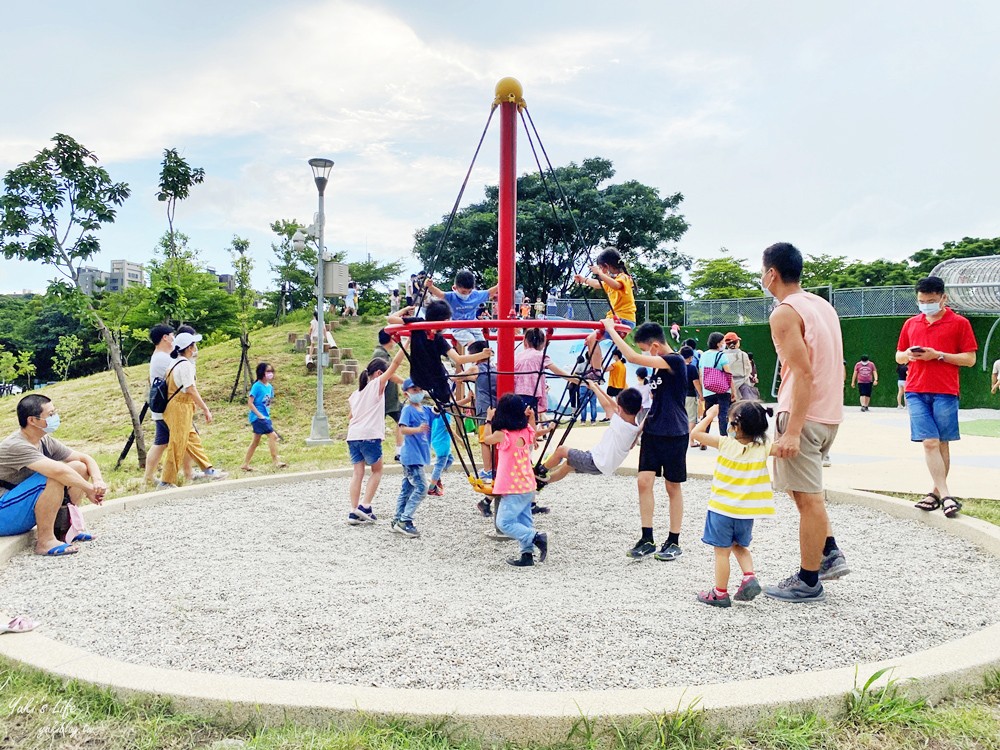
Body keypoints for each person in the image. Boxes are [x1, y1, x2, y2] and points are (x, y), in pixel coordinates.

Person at [761, 242, 848, 603]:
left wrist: (793, 430)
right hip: (829, 414)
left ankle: (809, 579)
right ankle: (828, 552)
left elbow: (803, 373)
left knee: (808, 499)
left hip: (803, 416)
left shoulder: (784, 313)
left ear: (772, 274)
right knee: (804, 493)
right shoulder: (822, 306)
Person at [601, 319, 688, 561]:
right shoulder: (659, 367)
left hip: (674, 433)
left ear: (656, 346)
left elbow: (632, 358)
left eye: (644, 348)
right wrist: (637, 431)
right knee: (644, 482)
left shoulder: (674, 361)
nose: (642, 353)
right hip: (653, 431)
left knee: (672, 486)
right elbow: (655, 403)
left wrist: (611, 331)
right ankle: (647, 537)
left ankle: (673, 540)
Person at [896, 276, 978, 519]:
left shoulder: (960, 323)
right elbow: (898, 356)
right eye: (921, 301)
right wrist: (909, 355)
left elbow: (970, 359)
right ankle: (946, 495)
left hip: (945, 390)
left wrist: (938, 355)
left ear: (944, 298)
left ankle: (935, 493)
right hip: (915, 390)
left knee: (942, 443)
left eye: (931, 301)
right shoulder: (911, 324)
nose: (926, 305)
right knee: (929, 442)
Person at [690, 401, 775, 607]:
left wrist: (709, 415)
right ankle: (748, 575)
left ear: (736, 426)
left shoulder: (725, 443)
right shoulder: (763, 446)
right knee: (740, 546)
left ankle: (720, 593)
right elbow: (783, 450)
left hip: (722, 508)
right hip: (746, 512)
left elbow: (695, 433)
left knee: (722, 552)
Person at [0, 394, 107, 556]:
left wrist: (98, 481)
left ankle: (66, 530)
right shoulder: (16, 445)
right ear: (32, 420)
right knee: (54, 475)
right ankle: (45, 542)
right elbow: (58, 471)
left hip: (19, 506)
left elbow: (85, 458)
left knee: (78, 467)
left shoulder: (43, 440)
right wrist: (89, 489)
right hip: (4, 514)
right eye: (50, 415)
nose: (55, 417)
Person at [480, 395, 547, 567]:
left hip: (513, 488)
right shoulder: (526, 432)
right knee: (524, 520)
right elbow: (534, 432)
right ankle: (527, 555)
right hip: (528, 486)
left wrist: (488, 420)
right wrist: (531, 417)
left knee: (503, 522)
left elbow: (486, 440)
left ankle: (536, 537)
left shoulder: (502, 435)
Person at [387, 302, 491, 407]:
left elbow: (391, 319)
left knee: (442, 394)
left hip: (417, 378)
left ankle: (443, 403)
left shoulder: (418, 324)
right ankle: (444, 402)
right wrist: (482, 355)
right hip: (436, 379)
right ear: (445, 321)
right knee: (445, 396)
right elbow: (458, 359)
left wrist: (405, 309)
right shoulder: (439, 339)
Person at [535, 384, 642, 485]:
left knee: (561, 450)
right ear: (640, 408)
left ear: (619, 408)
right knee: (567, 465)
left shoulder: (620, 424)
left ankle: (540, 471)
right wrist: (597, 387)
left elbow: (608, 406)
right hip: (602, 465)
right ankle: (543, 483)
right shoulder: (633, 428)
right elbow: (614, 406)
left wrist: (595, 389)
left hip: (595, 461)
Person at [346, 350, 406, 525]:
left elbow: (350, 416)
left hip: (353, 436)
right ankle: (365, 506)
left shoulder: (356, 394)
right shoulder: (376, 385)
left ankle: (354, 510)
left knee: (358, 472)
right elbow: (394, 364)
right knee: (377, 470)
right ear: (380, 374)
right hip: (369, 435)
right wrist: (405, 345)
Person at [160, 332, 227, 488]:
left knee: (192, 439)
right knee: (177, 443)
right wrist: (205, 408)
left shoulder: (175, 362)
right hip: (179, 407)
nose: (196, 348)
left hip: (177, 406)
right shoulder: (185, 365)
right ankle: (166, 481)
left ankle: (208, 469)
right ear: (189, 348)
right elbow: (190, 389)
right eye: (194, 345)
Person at [575, 247, 637, 370]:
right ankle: (597, 368)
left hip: (622, 319)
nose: (601, 271)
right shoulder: (613, 280)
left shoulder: (623, 277)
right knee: (591, 339)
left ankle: (597, 370)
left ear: (606, 266)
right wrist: (584, 280)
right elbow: (599, 284)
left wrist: (600, 273)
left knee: (592, 338)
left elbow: (616, 285)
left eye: (601, 268)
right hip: (618, 319)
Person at [391, 379, 432, 537]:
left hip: (417, 457)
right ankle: (405, 520)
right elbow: (403, 429)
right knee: (422, 488)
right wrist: (418, 429)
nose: (418, 392)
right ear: (406, 393)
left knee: (407, 489)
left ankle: (397, 519)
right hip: (411, 457)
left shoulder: (424, 409)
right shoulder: (408, 410)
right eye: (414, 389)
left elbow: (438, 410)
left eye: (420, 389)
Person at [426, 270, 498, 351]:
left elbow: (489, 292)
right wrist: (430, 286)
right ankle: (473, 359)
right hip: (458, 328)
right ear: (455, 288)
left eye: (469, 291)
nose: (466, 294)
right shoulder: (451, 297)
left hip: (473, 326)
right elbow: (439, 293)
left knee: (482, 345)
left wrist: (499, 285)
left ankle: (482, 362)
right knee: (472, 343)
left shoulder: (475, 295)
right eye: (463, 292)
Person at [513, 327, 572, 416]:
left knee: (518, 422)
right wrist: (578, 380)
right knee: (531, 422)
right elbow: (558, 372)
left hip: (515, 394)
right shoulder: (541, 356)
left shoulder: (518, 356)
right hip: (531, 395)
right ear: (543, 343)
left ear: (525, 341)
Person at [241, 362, 287, 472]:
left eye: (271, 371)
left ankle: (245, 464)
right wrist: (259, 415)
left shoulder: (270, 387)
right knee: (273, 436)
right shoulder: (257, 386)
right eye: (268, 371)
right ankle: (276, 461)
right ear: (262, 372)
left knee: (255, 441)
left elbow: (268, 402)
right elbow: (250, 403)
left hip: (265, 417)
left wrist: (266, 416)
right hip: (258, 418)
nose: (270, 374)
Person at [144, 323, 175, 485]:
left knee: (161, 442)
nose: (174, 338)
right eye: (172, 335)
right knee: (187, 438)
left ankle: (148, 477)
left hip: (162, 408)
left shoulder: (159, 356)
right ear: (165, 337)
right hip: (167, 408)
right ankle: (189, 472)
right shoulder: (163, 358)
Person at [700, 332, 739, 437]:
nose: (724, 344)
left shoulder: (703, 355)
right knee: (723, 415)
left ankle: (704, 438)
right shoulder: (722, 356)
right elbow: (728, 374)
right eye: (722, 342)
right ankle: (724, 438)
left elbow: (701, 374)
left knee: (707, 415)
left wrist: (702, 390)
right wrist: (733, 391)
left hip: (708, 389)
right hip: (722, 389)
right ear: (718, 344)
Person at [373, 330, 404, 461]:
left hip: (390, 397)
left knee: (402, 420)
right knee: (376, 426)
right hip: (382, 397)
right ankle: (374, 454)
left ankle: (400, 451)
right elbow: (389, 373)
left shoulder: (382, 353)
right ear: (391, 338)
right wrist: (405, 382)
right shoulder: (380, 354)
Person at [680, 346, 705, 449]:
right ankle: (691, 440)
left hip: (679, 396)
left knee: (681, 417)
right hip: (690, 395)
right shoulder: (691, 368)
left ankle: (682, 438)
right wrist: (701, 395)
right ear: (691, 357)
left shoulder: (677, 367)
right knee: (691, 418)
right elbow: (696, 383)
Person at [426, 408, 453, 497]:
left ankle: (436, 477)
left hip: (436, 441)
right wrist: (460, 440)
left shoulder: (435, 412)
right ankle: (432, 488)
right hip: (442, 443)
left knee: (450, 459)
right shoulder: (446, 415)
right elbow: (448, 428)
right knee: (440, 464)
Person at [724, 333, 757, 401]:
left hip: (727, 383)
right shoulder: (743, 354)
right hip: (742, 383)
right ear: (737, 343)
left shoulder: (722, 355)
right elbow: (748, 369)